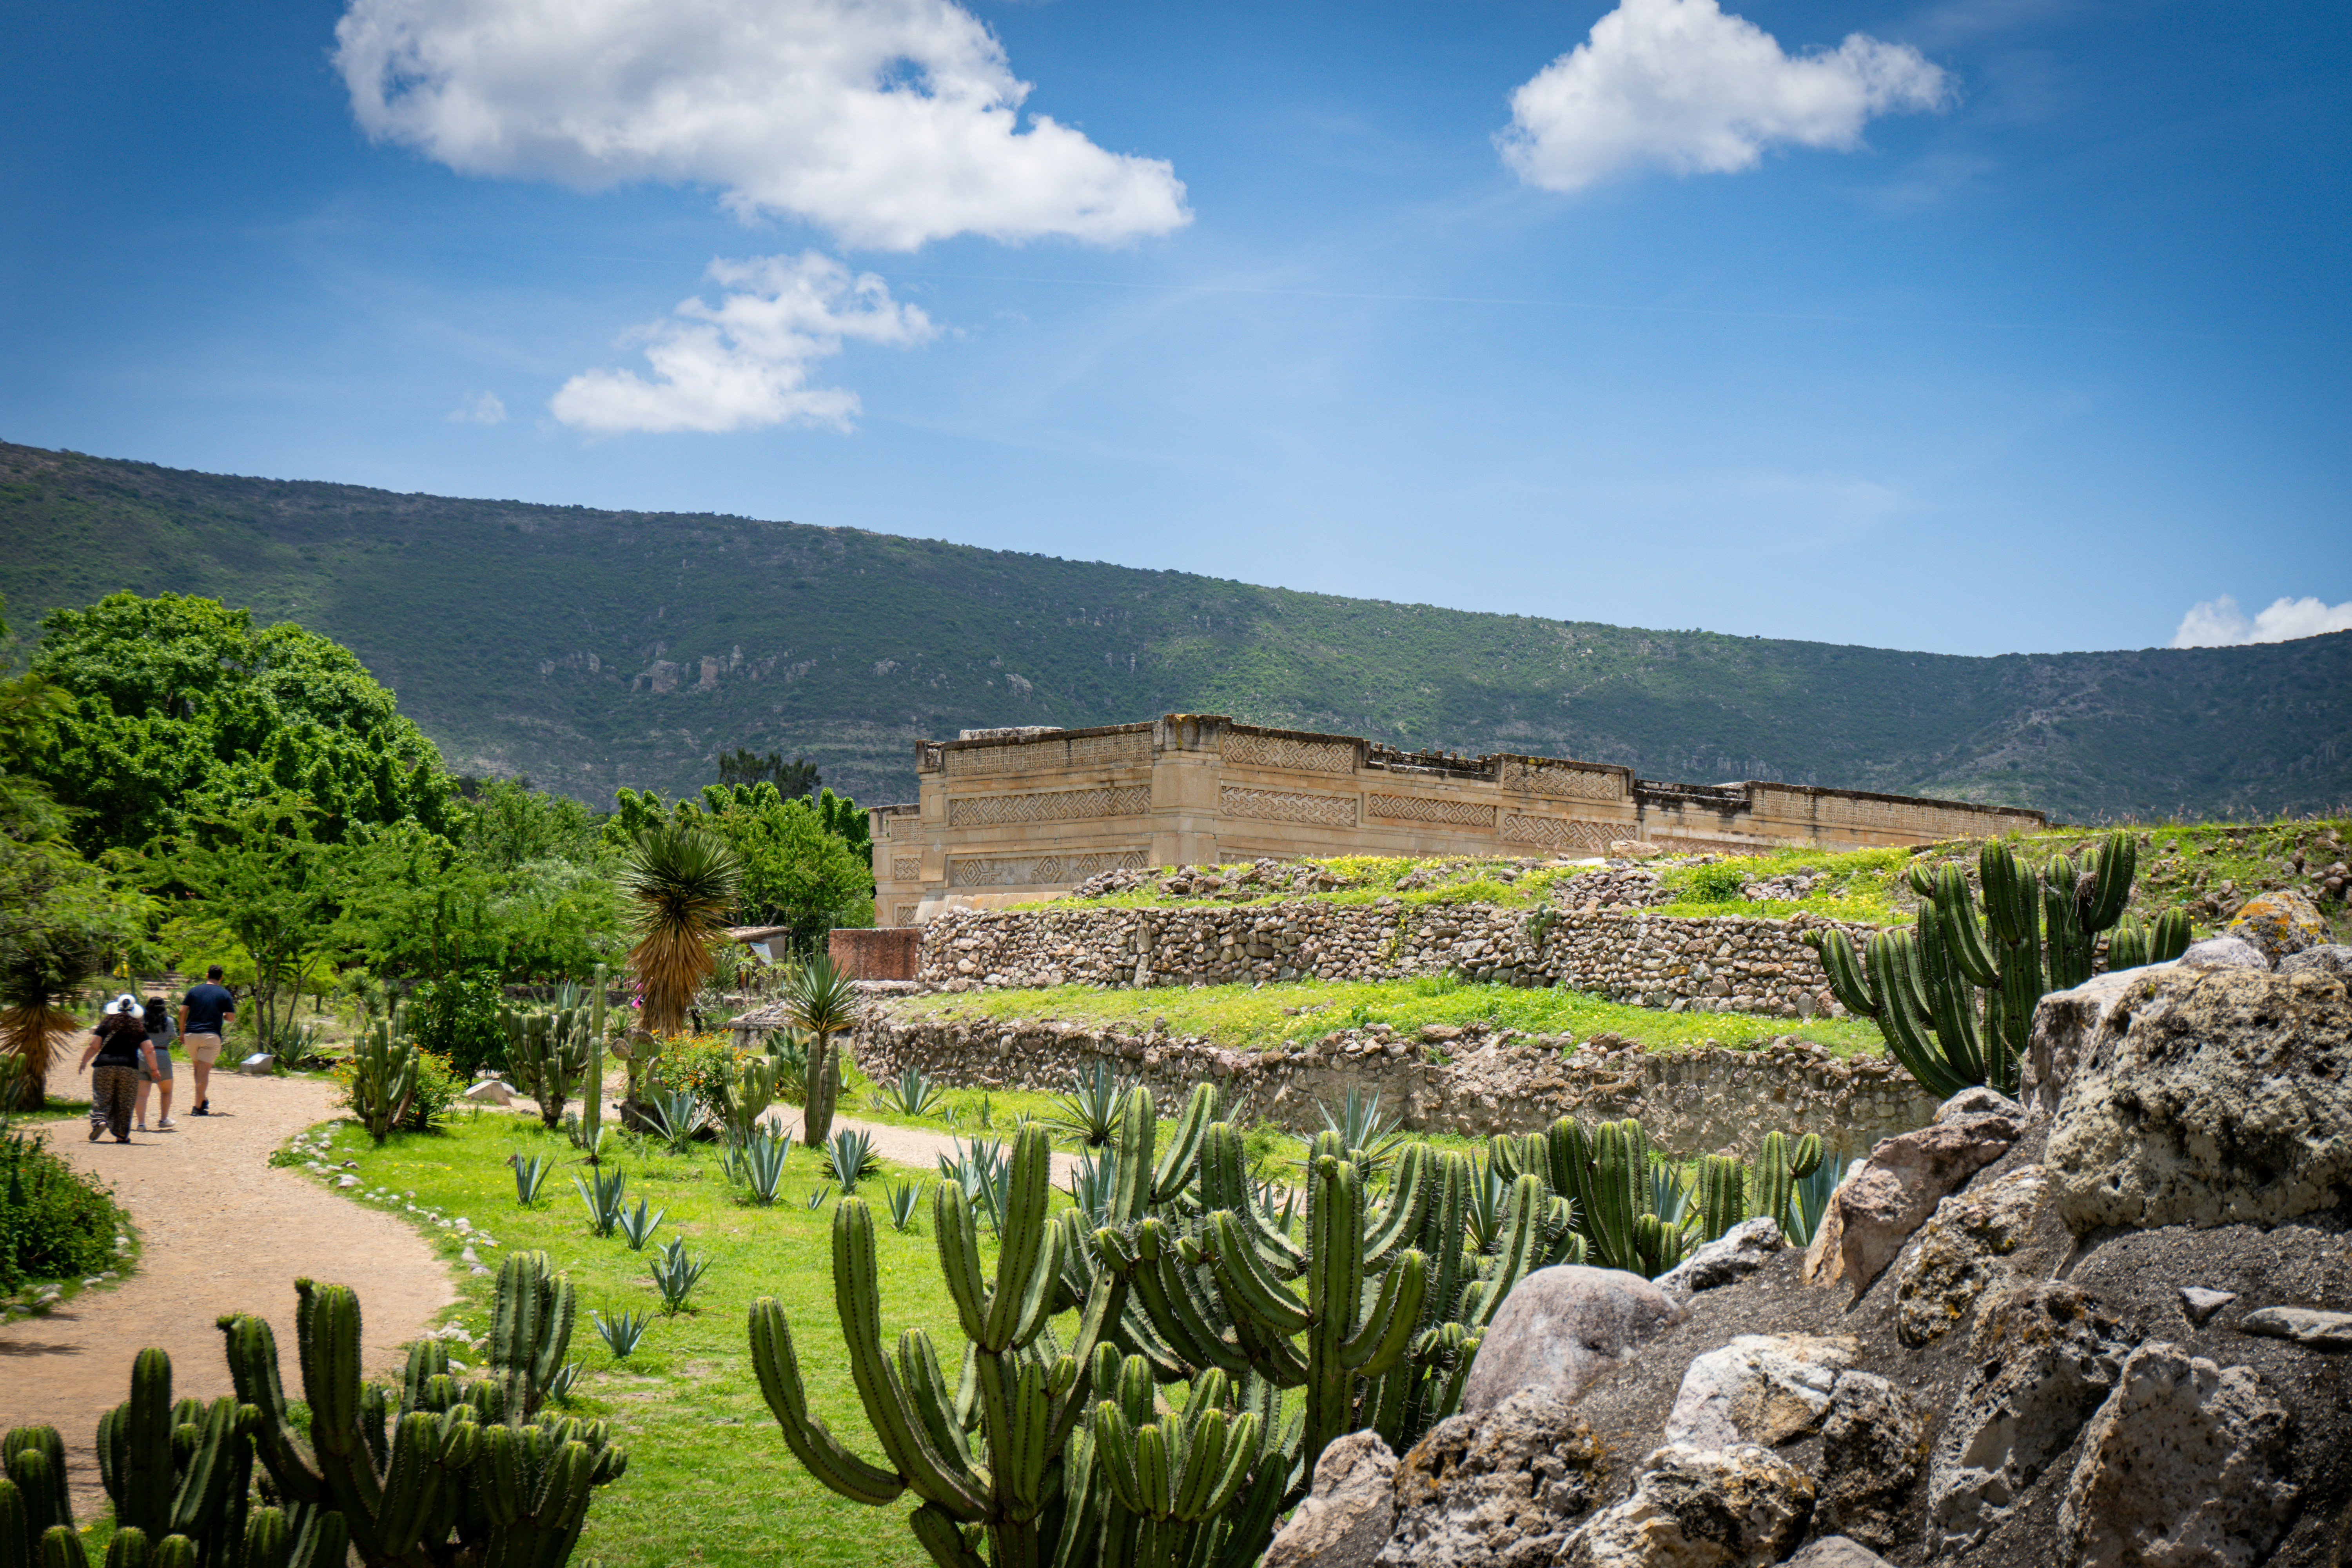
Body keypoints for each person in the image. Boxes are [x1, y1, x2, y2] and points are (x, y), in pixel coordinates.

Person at [77, 995, 156, 1143]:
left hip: (104, 1066)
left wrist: (83, 1062)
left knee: (102, 1096)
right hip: (129, 1068)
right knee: (125, 1101)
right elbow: (149, 1050)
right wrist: (154, 1069)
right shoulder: (138, 1027)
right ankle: (122, 1135)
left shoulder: (106, 1024)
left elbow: (94, 1045)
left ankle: (100, 1122)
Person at [180, 964, 236, 1116]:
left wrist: (182, 1031)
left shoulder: (194, 990)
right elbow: (231, 1018)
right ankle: (197, 1107)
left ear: (207, 975)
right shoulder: (224, 994)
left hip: (191, 1035)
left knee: (197, 1070)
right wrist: (222, 1016)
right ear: (221, 978)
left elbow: (182, 1011)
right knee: (203, 1074)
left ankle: (203, 1099)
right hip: (211, 1036)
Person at [136, 994, 178, 1131]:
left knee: (142, 1094)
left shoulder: (140, 1021)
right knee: (166, 1091)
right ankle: (164, 1119)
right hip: (162, 1055)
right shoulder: (169, 1021)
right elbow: (173, 1036)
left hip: (142, 1056)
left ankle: (141, 1123)